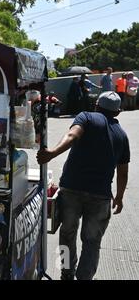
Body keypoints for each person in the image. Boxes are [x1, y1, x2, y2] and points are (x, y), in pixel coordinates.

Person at [37, 91, 130, 280]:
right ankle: (85, 277)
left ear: (96, 105)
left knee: (67, 233)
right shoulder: (122, 135)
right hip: (100, 195)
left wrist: (52, 153)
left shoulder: (86, 117)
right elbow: (123, 171)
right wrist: (119, 197)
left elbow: (72, 135)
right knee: (92, 241)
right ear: (118, 112)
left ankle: (66, 273)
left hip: (71, 189)